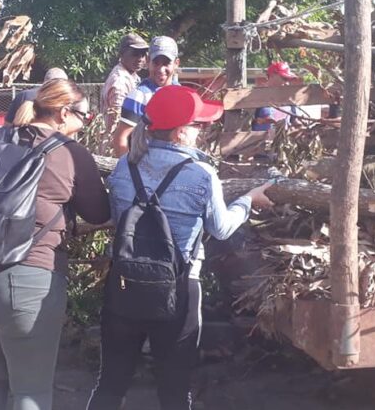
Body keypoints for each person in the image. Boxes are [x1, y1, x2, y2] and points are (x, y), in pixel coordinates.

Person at [88, 85, 274, 410]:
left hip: (124, 284)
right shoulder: (201, 175)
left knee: (111, 382)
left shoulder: (123, 168)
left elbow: (119, 220)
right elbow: (222, 228)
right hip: (178, 290)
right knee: (174, 388)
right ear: (180, 133)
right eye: (198, 125)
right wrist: (247, 200)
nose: (201, 130)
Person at [0, 79, 110, 410]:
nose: (85, 125)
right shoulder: (71, 153)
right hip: (26, 281)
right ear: (64, 113)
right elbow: (99, 212)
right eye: (84, 117)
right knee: (30, 390)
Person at [111, 36, 180, 156]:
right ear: (148, 61)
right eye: (156, 63)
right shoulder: (139, 96)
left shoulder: (180, 92)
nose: (161, 69)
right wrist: (129, 170)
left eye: (166, 63)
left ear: (176, 63)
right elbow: (121, 138)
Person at [100, 33, 148, 132]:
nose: (140, 59)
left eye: (143, 54)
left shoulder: (132, 75)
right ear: (122, 54)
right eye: (135, 54)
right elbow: (117, 120)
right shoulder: (120, 81)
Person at [251, 61, 299, 131]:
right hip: (259, 140)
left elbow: (294, 120)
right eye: (284, 79)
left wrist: (301, 125)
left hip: (282, 139)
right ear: (272, 75)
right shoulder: (256, 95)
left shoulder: (289, 98)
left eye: (289, 80)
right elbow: (246, 122)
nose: (287, 83)